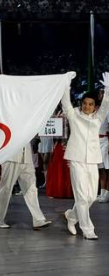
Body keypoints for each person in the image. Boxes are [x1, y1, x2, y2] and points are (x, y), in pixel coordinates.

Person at [62, 73, 109, 240]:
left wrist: (108, 89)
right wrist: (66, 86)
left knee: (90, 197)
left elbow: (105, 106)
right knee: (82, 196)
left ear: (94, 106)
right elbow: (66, 103)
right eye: (85, 103)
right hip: (76, 159)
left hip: (93, 160)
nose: (87, 106)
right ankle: (88, 229)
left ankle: (71, 216)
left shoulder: (97, 119)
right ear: (81, 104)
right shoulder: (74, 116)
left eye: (91, 104)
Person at [0, 143, 52, 230]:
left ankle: (38, 219)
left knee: (31, 188)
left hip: (27, 156)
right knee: (6, 188)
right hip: (11, 156)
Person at [97, 88, 109, 203]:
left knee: (107, 169)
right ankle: (102, 193)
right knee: (101, 169)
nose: (101, 95)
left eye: (103, 93)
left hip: (106, 141)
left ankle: (107, 194)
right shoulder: (99, 109)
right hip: (97, 142)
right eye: (101, 93)